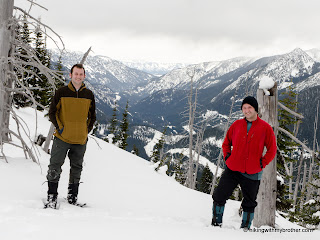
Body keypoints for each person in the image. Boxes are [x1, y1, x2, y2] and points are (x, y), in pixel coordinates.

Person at [211, 96, 277, 229]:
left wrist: (261, 164)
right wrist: (228, 157)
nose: (247, 110)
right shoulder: (237, 125)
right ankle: (216, 225)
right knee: (219, 196)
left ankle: (245, 229)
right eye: (244, 108)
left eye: (249, 108)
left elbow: (272, 149)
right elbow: (226, 143)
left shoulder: (265, 128)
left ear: (255, 109)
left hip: (252, 172)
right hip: (233, 168)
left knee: (249, 202)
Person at [46, 63, 96, 208]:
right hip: (62, 138)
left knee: (77, 167)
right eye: (76, 74)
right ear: (70, 75)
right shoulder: (61, 92)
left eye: (81, 74)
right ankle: (51, 196)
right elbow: (52, 112)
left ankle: (72, 197)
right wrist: (60, 128)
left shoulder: (89, 94)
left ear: (84, 76)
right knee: (55, 166)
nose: (78, 77)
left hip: (80, 140)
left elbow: (92, 116)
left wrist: (85, 130)